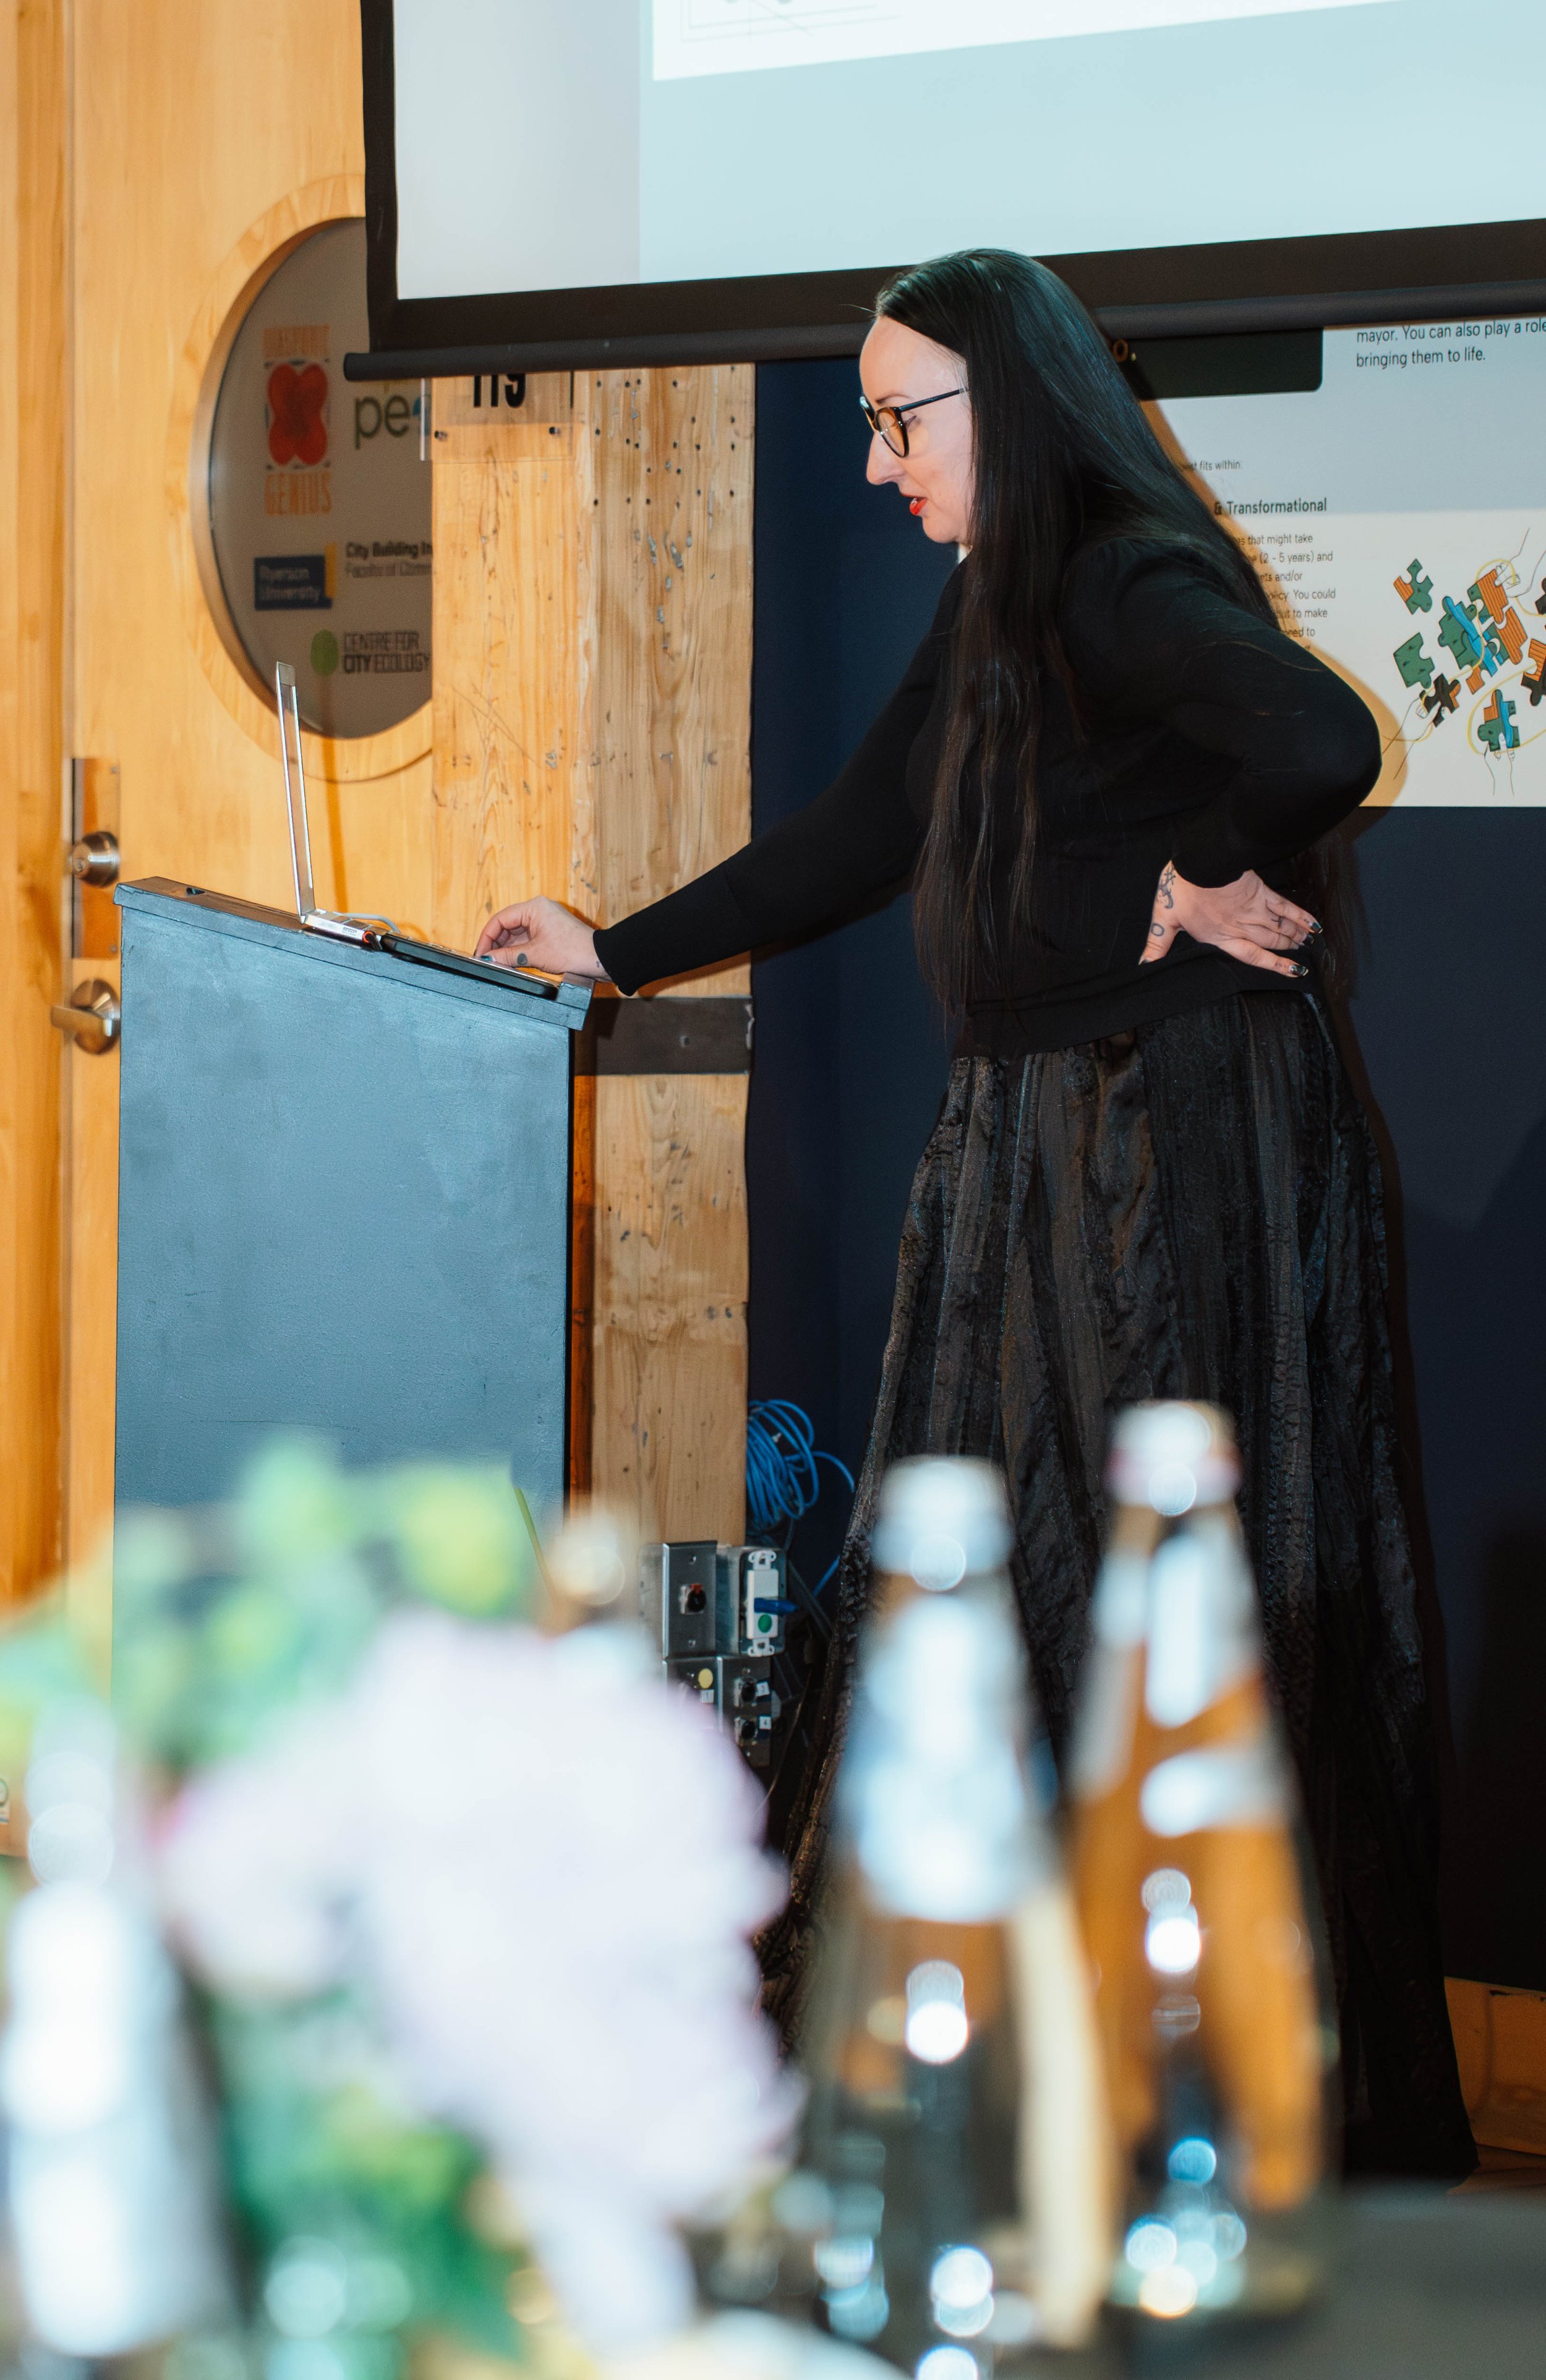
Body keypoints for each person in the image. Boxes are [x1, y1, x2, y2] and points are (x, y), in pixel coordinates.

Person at [474, 249, 1474, 2177]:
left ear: (1003, 408)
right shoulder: (1002, 599)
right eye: (864, 420)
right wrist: (615, 950)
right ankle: (1016, 2092)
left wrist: (1179, 878)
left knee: (1152, 1618)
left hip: (1160, 1158)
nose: (871, 463)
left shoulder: (1114, 568)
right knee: (999, 1606)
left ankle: (1189, 2104)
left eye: (895, 417)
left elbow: (1321, 742)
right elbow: (859, 835)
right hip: (1042, 1144)